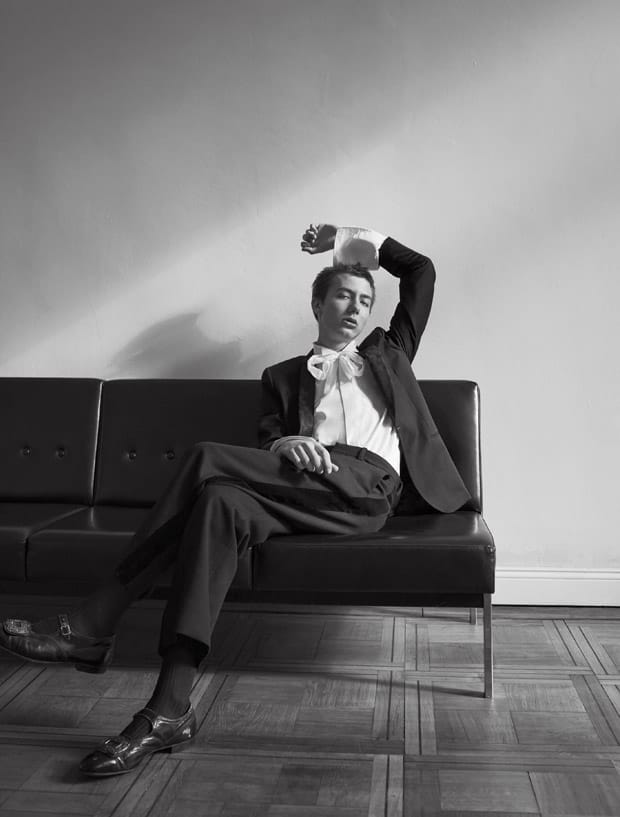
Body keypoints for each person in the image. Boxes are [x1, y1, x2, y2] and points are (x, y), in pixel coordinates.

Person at [0, 223, 470, 777]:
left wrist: (346, 240)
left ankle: (94, 620)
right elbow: (268, 443)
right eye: (344, 295)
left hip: (369, 487)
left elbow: (421, 270)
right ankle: (169, 708)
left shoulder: (391, 352)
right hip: (306, 487)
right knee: (219, 505)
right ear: (317, 304)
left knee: (206, 458)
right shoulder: (281, 377)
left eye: (365, 301)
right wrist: (286, 443)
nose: (355, 308)